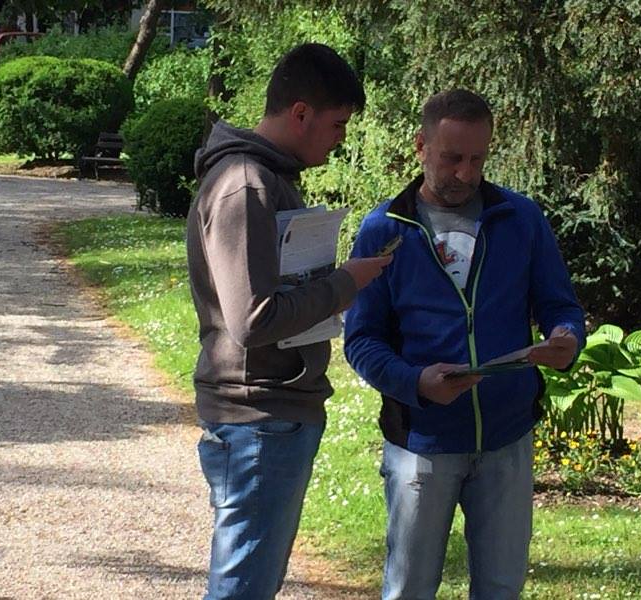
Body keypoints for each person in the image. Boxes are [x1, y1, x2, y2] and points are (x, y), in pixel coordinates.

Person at [344, 89, 586, 599]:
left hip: (507, 438)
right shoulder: (384, 230)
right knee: (409, 588)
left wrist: (567, 337)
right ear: (421, 146)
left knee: (500, 587)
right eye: (452, 157)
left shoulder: (521, 218)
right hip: (421, 443)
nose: (465, 173)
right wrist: (415, 382)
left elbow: (560, 306)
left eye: (478, 159)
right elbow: (361, 339)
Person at [186, 43, 392, 600]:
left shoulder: (267, 177)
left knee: (252, 583)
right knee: (243, 588)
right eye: (337, 124)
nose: (340, 139)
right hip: (258, 417)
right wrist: (345, 283)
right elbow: (253, 320)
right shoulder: (246, 184)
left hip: (272, 414)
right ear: (301, 113)